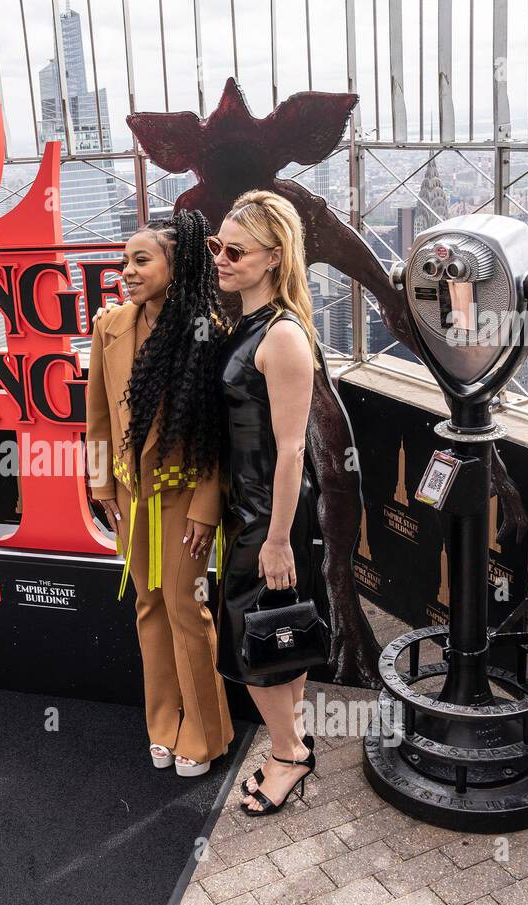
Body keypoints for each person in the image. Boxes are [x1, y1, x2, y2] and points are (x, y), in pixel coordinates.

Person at [86, 209, 234, 776]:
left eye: (140, 260)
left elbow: (218, 440)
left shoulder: (209, 335)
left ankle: (206, 731)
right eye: (125, 261)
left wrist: (205, 509)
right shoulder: (110, 327)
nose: (127, 270)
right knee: (148, 606)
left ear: (179, 264)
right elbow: (96, 420)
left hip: (184, 500)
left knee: (184, 608)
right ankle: (162, 724)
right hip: (128, 500)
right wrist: (102, 487)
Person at [210, 189, 326, 816]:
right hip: (252, 510)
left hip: (268, 514)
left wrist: (278, 538)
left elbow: (290, 451)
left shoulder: (282, 337)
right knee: (280, 632)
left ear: (274, 258)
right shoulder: (249, 323)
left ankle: (288, 756)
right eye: (216, 247)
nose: (221, 259)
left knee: (256, 638)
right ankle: (294, 740)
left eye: (235, 250)